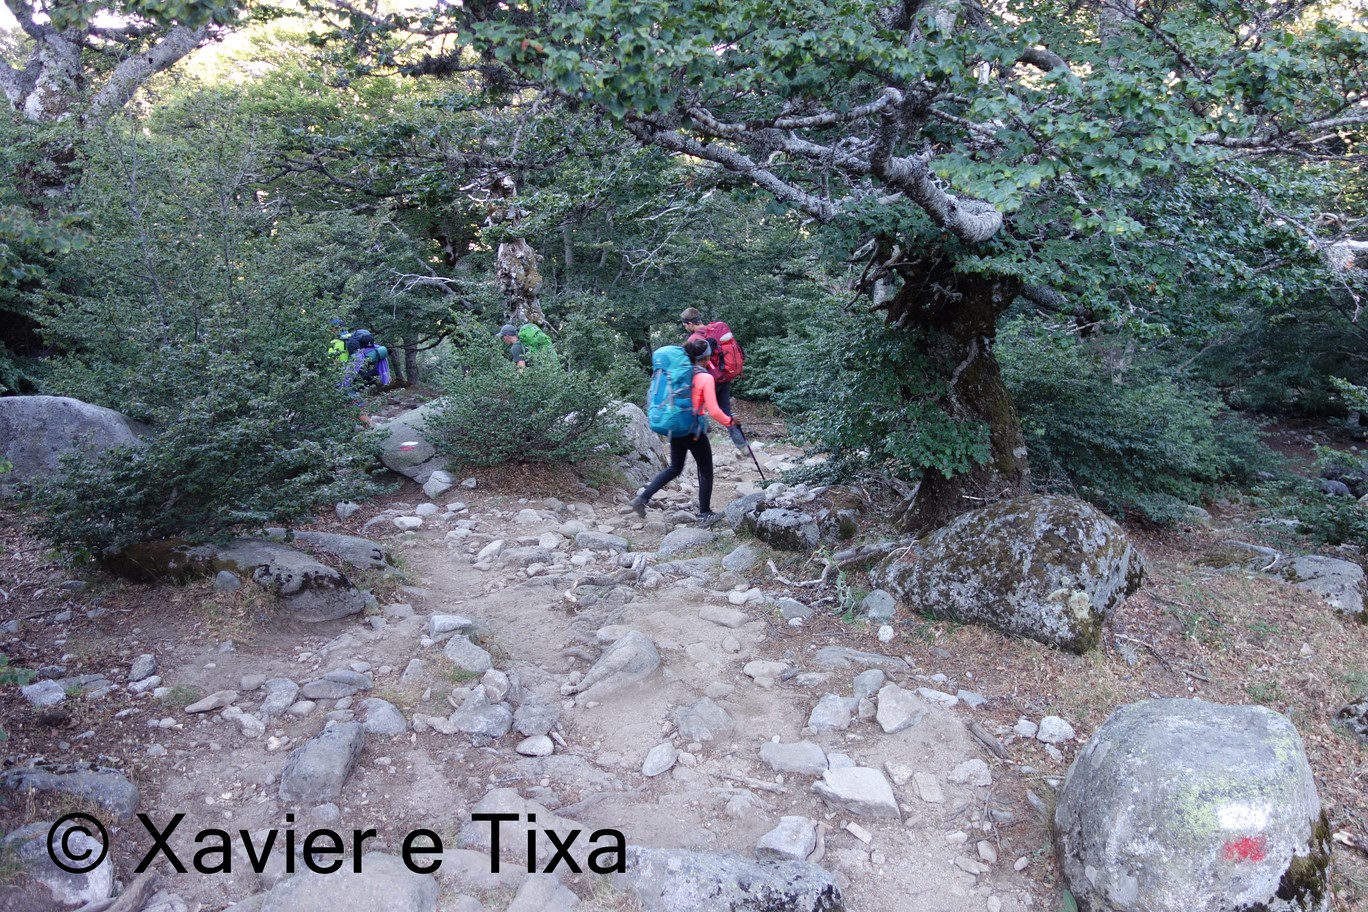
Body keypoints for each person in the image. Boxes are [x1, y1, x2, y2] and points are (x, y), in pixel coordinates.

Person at [632, 338, 749, 526]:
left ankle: (642, 498)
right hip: (693, 431)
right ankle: (705, 513)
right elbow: (714, 410)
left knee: (675, 468)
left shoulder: (677, 374)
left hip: (675, 425)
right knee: (706, 470)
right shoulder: (704, 378)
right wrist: (730, 421)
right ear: (707, 358)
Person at [680, 307, 744, 418]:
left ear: (690, 324)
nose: (685, 328)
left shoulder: (694, 339)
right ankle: (735, 428)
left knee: (696, 409)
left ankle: (699, 427)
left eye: (685, 325)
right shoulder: (715, 330)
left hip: (710, 379)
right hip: (724, 374)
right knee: (726, 410)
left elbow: (690, 364)